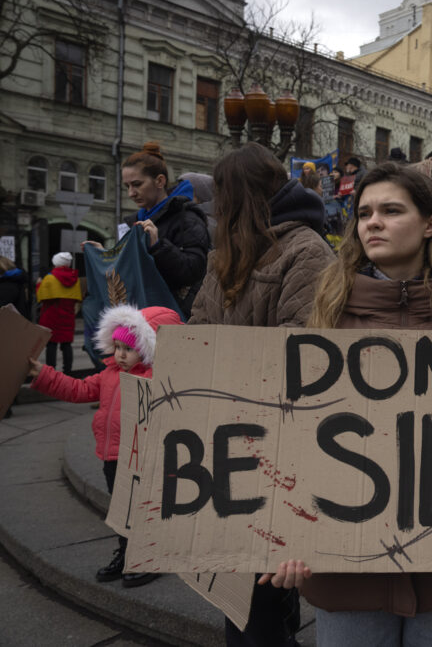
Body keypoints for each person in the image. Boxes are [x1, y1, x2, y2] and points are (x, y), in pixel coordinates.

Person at [259, 163, 432, 647]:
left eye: (390, 210)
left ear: (430, 224)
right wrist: (285, 534)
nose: (372, 223)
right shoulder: (326, 318)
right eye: (363, 213)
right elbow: (293, 436)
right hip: (346, 570)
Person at [189, 142, 335, 646]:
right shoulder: (222, 254)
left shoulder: (307, 250)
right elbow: (197, 331)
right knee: (240, 600)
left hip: (280, 448)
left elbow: (305, 353)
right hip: (227, 442)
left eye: (222, 197)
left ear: (243, 197)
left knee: (263, 600)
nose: (215, 209)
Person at [27, 303, 182, 586]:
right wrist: (43, 374)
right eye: (118, 346)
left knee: (143, 510)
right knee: (121, 511)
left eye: (129, 348)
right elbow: (79, 389)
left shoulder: (156, 380)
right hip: (112, 456)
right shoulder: (109, 374)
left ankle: (149, 559)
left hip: (142, 457)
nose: (120, 355)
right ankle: (125, 554)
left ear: (149, 348)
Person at [121, 141, 210, 318]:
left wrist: (158, 246)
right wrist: (107, 255)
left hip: (172, 319)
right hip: (138, 316)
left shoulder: (187, 217)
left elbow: (195, 271)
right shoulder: (133, 223)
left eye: (137, 184)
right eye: (127, 186)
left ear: (160, 181)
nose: (131, 193)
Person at [36, 251, 82, 374]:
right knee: (67, 345)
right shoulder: (75, 279)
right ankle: (68, 371)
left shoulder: (50, 278)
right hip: (67, 316)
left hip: (51, 316)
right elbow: (76, 299)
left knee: (51, 345)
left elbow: (41, 296)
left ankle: (51, 372)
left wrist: (38, 284)